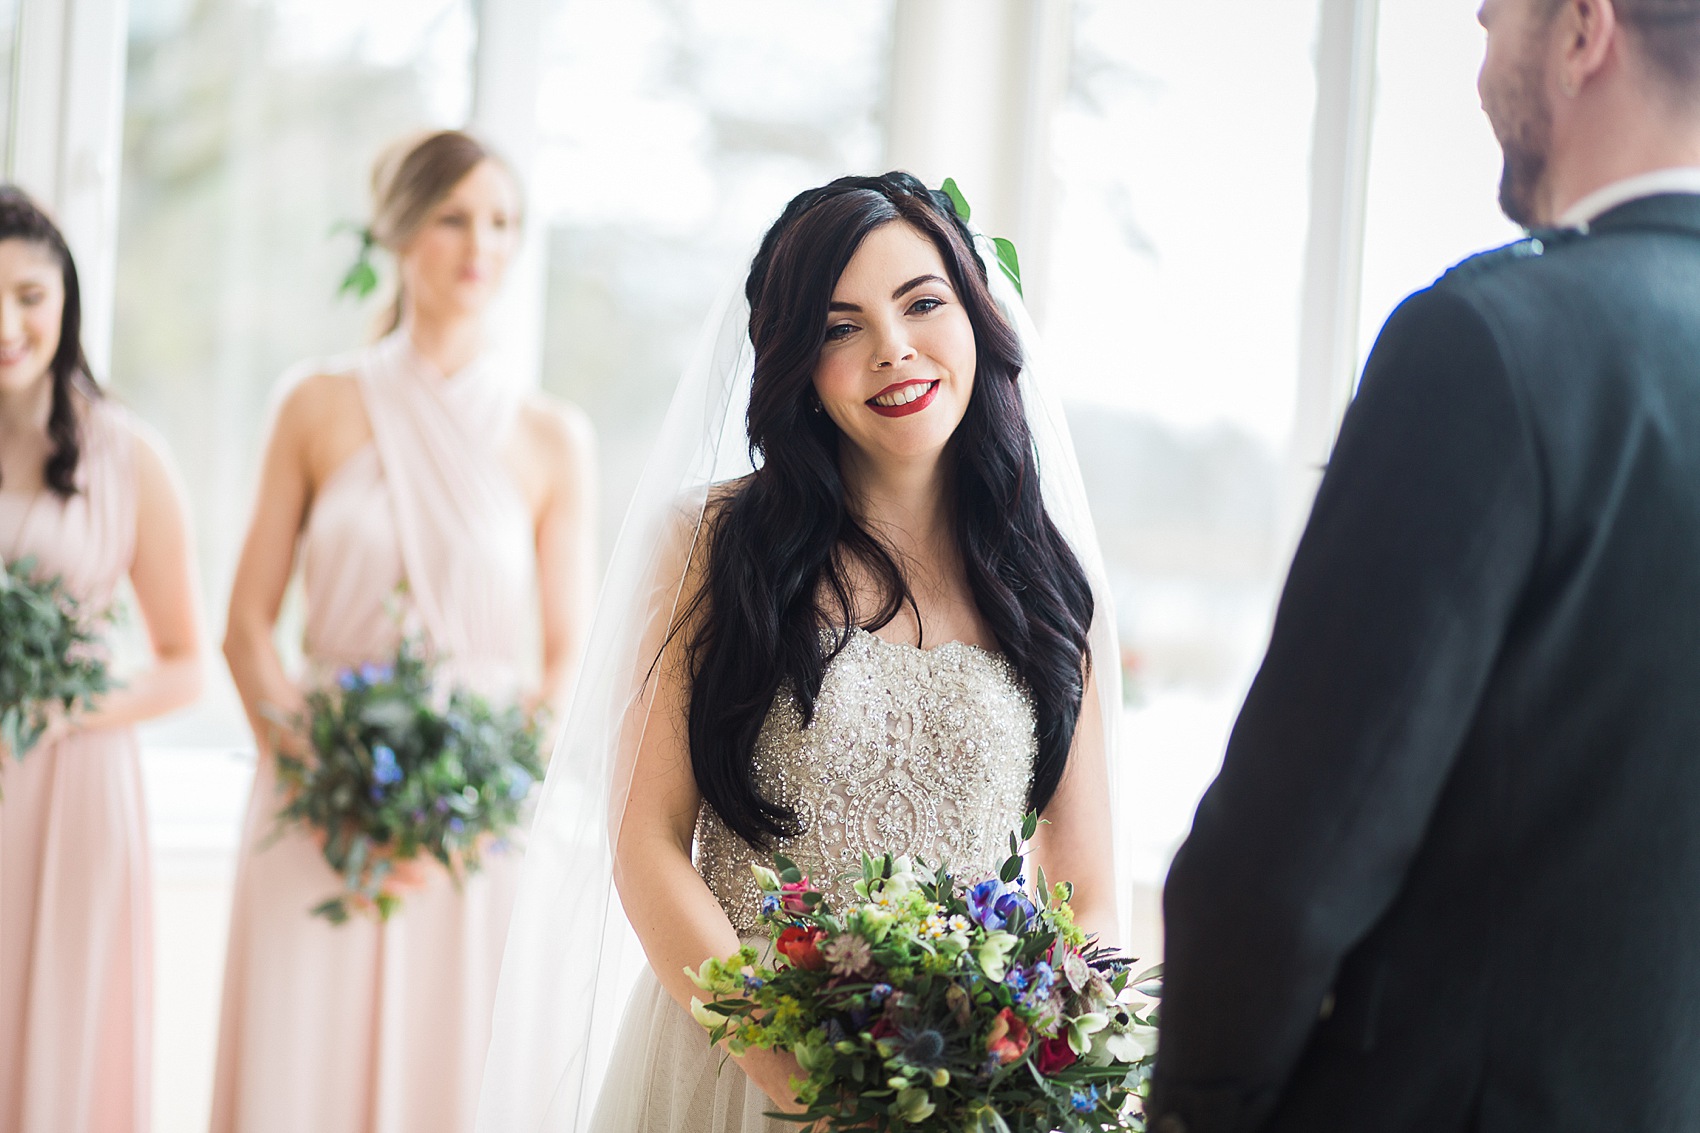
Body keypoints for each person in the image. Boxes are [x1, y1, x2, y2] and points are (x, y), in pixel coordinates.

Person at [474, 172, 1123, 1131]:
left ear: (977, 316)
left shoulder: (1048, 585)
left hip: (964, 1095)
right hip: (741, 1067)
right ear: (796, 367)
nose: (893, 349)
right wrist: (808, 1086)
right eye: (839, 326)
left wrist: (1028, 1054)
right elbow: (647, 844)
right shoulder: (710, 544)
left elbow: (1088, 890)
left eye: (922, 303)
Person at [1149, 1, 1700, 1130]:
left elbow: (1289, 860)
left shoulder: (1490, 343)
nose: (1483, 50)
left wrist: (1198, 1108)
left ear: (1582, 32)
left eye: (1493, 18)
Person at [210, 130, 597, 1133]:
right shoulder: (316, 401)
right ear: (397, 229)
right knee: (301, 1066)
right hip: (318, 796)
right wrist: (317, 776)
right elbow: (246, 627)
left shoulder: (552, 435)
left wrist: (485, 789)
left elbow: (567, 654)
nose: (482, 244)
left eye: (502, 221)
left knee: (452, 1074)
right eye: (454, 217)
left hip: (472, 817)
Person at [0, 186, 206, 1133]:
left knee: (60, 1036)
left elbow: (182, 664)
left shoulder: (130, 455)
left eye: (30, 295)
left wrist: (59, 708)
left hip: (73, 789)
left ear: (65, 303)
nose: (9, 323)